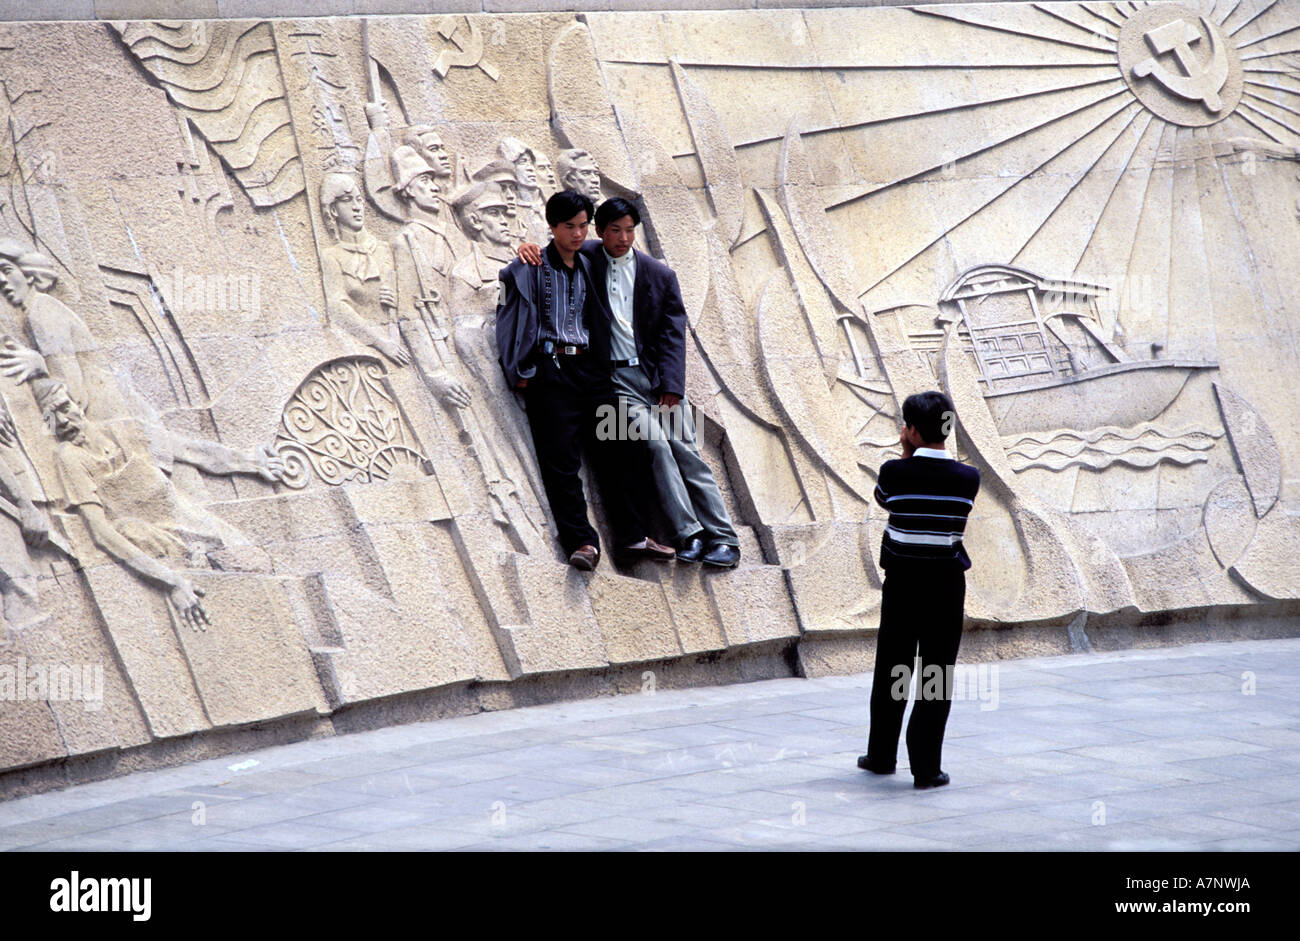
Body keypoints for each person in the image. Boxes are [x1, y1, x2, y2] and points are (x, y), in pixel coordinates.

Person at [518, 197, 740, 566]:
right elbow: (555, 247)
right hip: (616, 381)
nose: (623, 238)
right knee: (655, 447)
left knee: (687, 452)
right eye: (615, 230)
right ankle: (690, 534)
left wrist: (671, 385)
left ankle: (724, 539)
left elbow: (673, 334)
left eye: (629, 230)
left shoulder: (659, 274)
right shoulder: (589, 257)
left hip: (656, 379)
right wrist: (525, 248)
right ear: (600, 232)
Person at [495, 189, 674, 571]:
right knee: (561, 462)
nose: (577, 234)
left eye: (582, 226)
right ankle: (582, 542)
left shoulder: (591, 260)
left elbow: (613, 249)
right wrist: (521, 372)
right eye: (569, 227)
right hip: (550, 373)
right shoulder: (529, 266)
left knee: (627, 445)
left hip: (592, 373)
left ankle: (632, 536)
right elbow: (508, 318)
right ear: (552, 227)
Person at [858, 390, 979, 789]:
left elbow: (884, 500)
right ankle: (926, 768)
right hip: (946, 586)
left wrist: (906, 454)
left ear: (910, 430)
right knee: (936, 673)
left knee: (893, 667)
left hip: (903, 584)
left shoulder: (894, 472)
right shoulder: (968, 478)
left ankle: (881, 755)